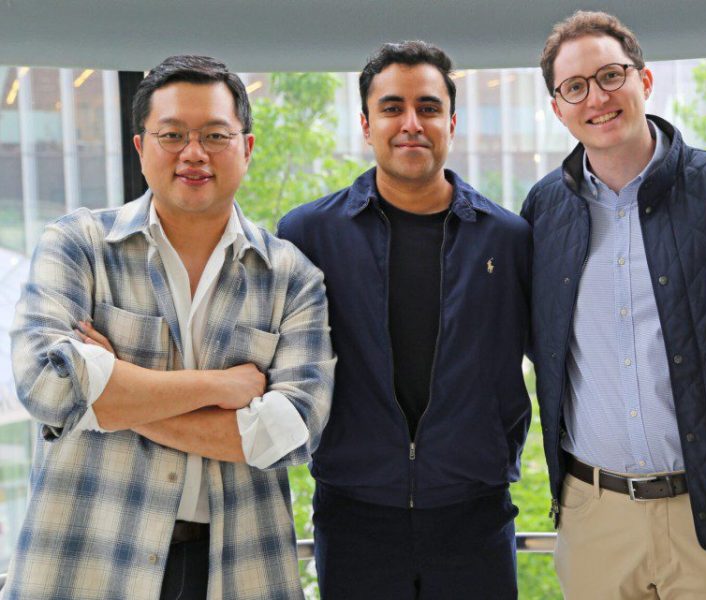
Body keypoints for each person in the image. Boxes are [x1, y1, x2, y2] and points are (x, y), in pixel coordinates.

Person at [3, 55, 335, 600]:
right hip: (89, 557)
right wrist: (222, 388)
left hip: (239, 564)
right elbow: (48, 386)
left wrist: (115, 393)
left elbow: (291, 431)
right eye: (172, 134)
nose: (194, 152)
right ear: (141, 147)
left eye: (214, 135)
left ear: (247, 148)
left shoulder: (291, 277)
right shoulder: (79, 244)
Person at [278, 41, 531, 599]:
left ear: (452, 122)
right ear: (367, 126)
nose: (411, 123)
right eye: (392, 108)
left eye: (428, 108)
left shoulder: (507, 239)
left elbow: (554, 355)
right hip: (354, 512)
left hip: (476, 509)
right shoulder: (308, 235)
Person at [521, 11, 706, 599]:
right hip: (596, 515)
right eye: (575, 87)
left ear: (644, 82)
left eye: (611, 75)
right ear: (558, 107)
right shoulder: (542, 211)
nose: (597, 97)